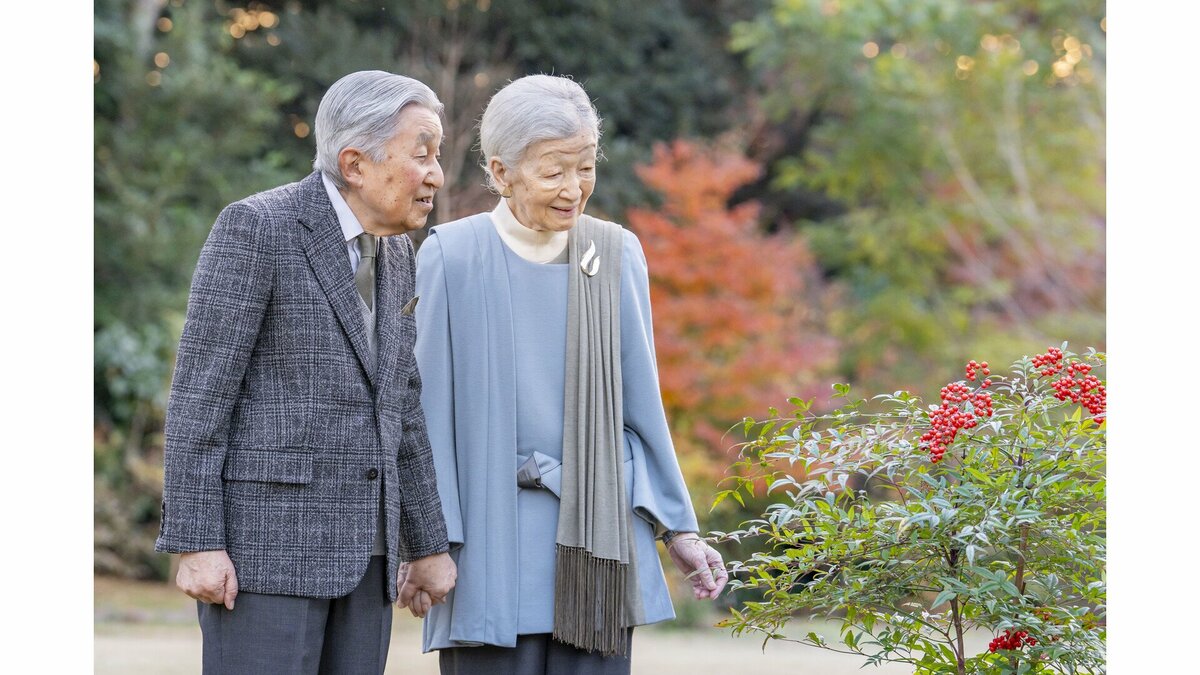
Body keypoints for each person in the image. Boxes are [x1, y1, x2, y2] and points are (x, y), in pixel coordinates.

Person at [413, 74, 728, 674]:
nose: (574, 188)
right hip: (485, 543)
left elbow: (643, 407)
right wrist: (428, 543)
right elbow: (428, 422)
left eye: (585, 168)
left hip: (598, 539)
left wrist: (678, 530)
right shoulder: (452, 255)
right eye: (554, 171)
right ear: (501, 172)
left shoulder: (615, 254)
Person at [155, 70, 457, 674]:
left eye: (437, 156)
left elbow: (402, 406)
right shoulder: (257, 227)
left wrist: (427, 544)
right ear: (355, 164)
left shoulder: (398, 252)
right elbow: (199, 397)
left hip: (368, 562)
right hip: (262, 559)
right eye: (422, 154)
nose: (437, 176)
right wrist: (195, 542)